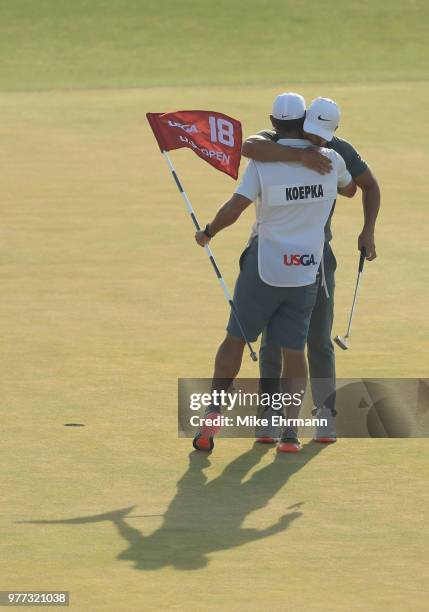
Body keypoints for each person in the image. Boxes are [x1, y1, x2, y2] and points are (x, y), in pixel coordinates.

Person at [192, 93, 356, 453]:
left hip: (264, 268)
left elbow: (235, 208)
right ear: (305, 121)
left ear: (273, 120)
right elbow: (351, 189)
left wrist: (208, 232)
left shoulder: (263, 165)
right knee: (294, 352)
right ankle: (290, 434)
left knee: (235, 340)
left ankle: (214, 413)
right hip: (305, 272)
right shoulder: (331, 160)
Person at [241, 96, 381, 443]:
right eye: (310, 133)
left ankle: (324, 417)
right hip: (273, 256)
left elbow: (364, 187)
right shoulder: (274, 140)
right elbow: (248, 147)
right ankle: (271, 417)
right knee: (275, 341)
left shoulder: (338, 150)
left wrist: (368, 231)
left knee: (319, 338)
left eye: (322, 137)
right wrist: (300, 155)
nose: (316, 141)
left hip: (317, 256)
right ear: (298, 121)